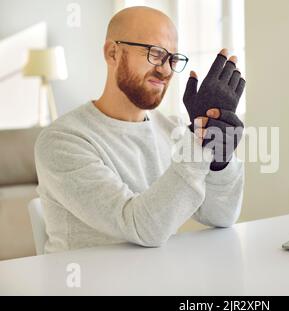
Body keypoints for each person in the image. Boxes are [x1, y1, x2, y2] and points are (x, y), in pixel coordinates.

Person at [34, 6, 246, 253]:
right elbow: (141, 227)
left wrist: (219, 160)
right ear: (112, 53)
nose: (165, 69)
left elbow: (222, 216)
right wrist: (196, 146)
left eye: (172, 59)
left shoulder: (172, 129)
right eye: (154, 53)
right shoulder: (62, 141)